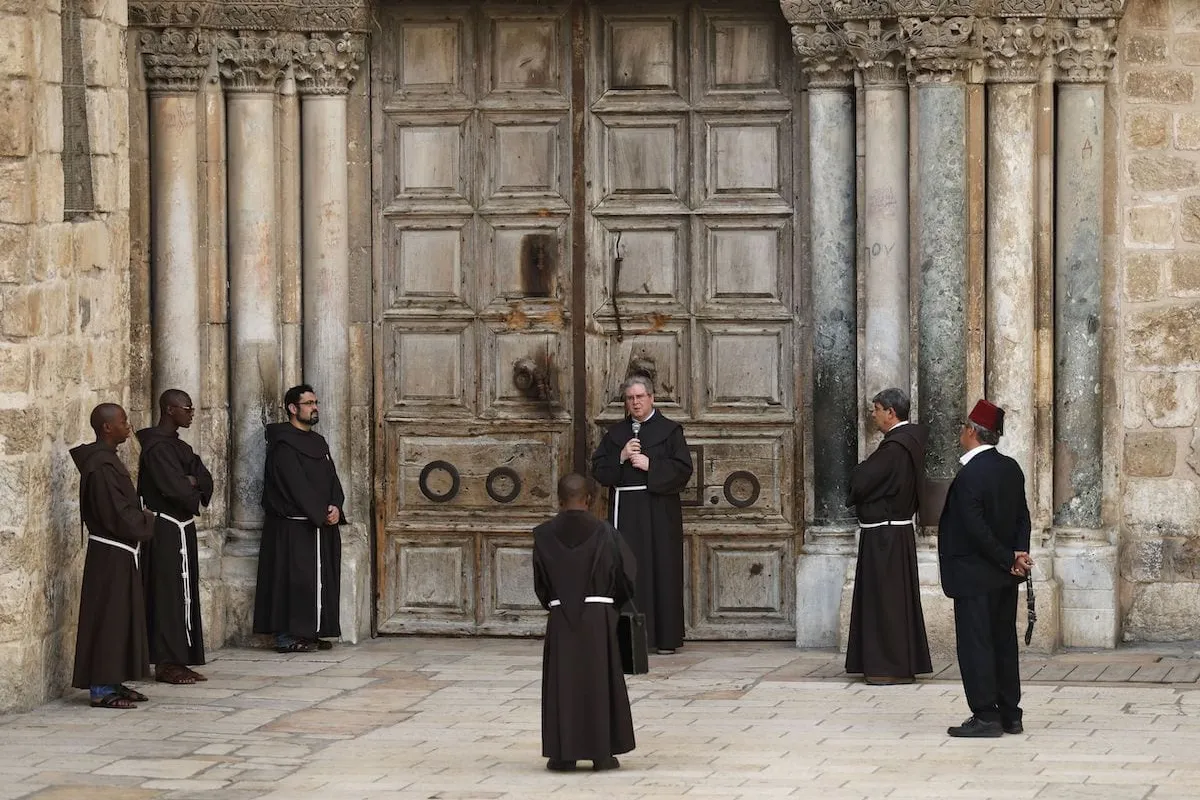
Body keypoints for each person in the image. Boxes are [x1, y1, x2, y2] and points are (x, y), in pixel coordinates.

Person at [938, 399, 1034, 738]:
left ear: (970, 432)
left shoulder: (969, 476)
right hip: (1004, 576)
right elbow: (1023, 516)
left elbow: (976, 530)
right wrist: (1018, 553)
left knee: (977, 644)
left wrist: (1008, 557)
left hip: (975, 575)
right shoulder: (1011, 468)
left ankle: (986, 716)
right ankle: (1011, 714)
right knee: (1003, 641)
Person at [533, 473, 637, 772]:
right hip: (598, 617)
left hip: (561, 617)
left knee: (562, 683)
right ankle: (601, 755)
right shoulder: (606, 532)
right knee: (599, 681)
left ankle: (562, 755)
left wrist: (556, 603)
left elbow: (540, 583)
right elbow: (626, 575)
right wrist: (610, 606)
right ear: (589, 499)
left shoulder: (542, 534)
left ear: (558, 498)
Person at [591, 373, 693, 654]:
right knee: (628, 570)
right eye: (630, 398)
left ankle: (664, 639)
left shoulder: (670, 431)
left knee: (661, 569)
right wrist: (621, 457)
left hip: (659, 512)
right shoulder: (615, 435)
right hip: (626, 513)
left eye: (640, 397)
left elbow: (683, 471)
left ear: (652, 398)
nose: (635, 403)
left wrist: (652, 466)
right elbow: (599, 471)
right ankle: (630, 641)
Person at [844, 388, 933, 685]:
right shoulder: (906, 443)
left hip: (886, 537)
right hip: (894, 533)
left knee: (886, 602)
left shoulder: (895, 447)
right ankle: (896, 665)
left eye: (876, 409)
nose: (873, 415)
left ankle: (887, 667)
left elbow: (862, 479)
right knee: (893, 601)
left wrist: (857, 473)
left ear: (891, 412)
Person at [70, 403, 156, 708]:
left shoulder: (106, 461)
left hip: (119, 551)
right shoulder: (100, 466)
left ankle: (114, 680)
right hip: (110, 552)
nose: (127, 426)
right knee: (108, 617)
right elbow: (115, 513)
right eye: (122, 421)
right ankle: (102, 689)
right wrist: (148, 519)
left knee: (120, 617)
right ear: (107, 427)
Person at [253, 384, 347, 653]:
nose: (314, 407)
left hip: (318, 522)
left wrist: (336, 506)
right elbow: (294, 484)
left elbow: (332, 479)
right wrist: (320, 513)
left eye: (315, 402)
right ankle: (288, 636)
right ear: (293, 408)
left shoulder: (318, 442)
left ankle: (312, 631)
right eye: (308, 403)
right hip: (293, 526)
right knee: (293, 580)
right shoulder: (283, 443)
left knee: (317, 580)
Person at [136, 389, 214, 685]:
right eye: (187, 408)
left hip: (183, 528)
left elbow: (204, 477)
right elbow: (173, 486)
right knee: (167, 594)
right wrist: (189, 483)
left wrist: (192, 481)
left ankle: (182, 658)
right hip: (165, 529)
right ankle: (166, 663)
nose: (191, 413)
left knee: (185, 592)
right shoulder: (155, 448)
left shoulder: (179, 447)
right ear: (169, 410)